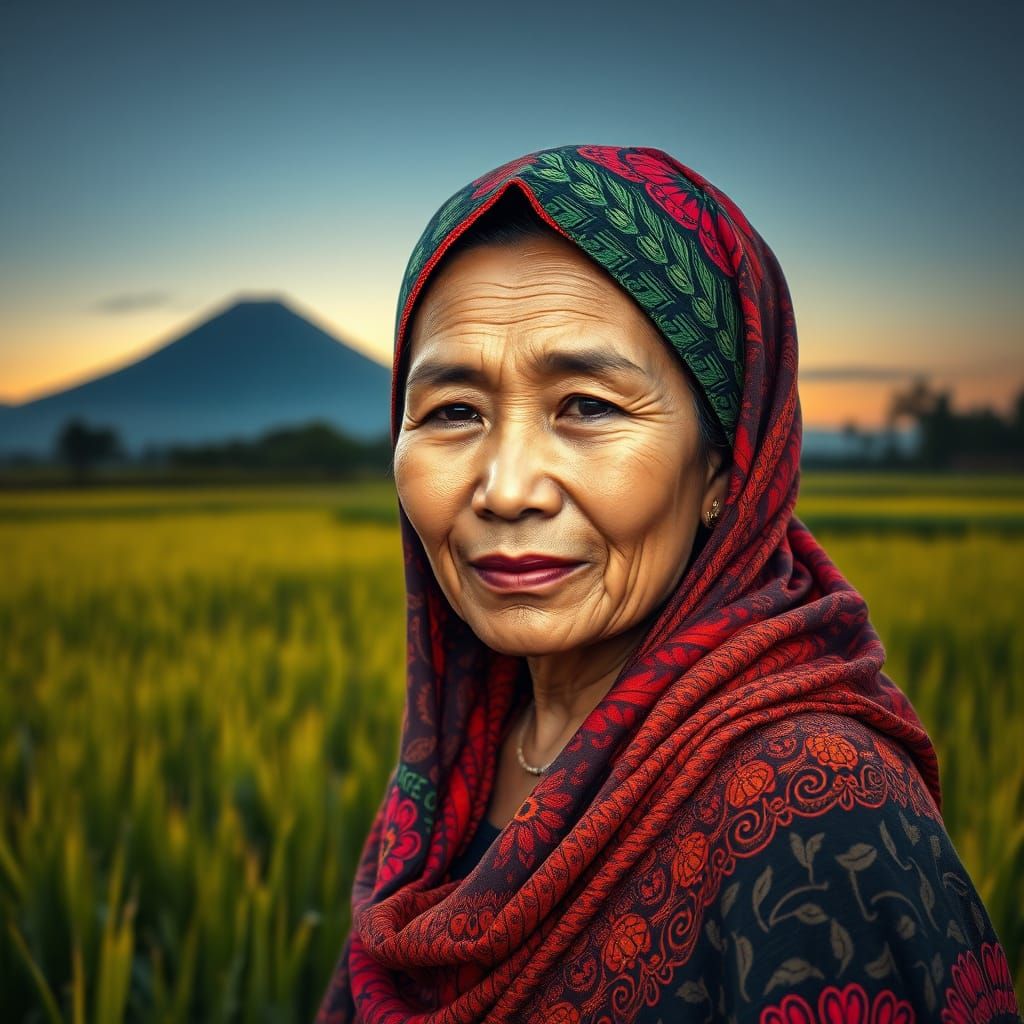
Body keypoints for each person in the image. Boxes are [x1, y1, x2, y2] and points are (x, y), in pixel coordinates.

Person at [316, 145, 1020, 1023]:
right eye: (453, 412)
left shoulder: (822, 812)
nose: (505, 489)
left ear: (727, 465)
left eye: (587, 406)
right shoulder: (453, 766)